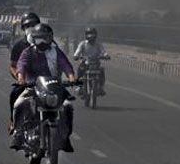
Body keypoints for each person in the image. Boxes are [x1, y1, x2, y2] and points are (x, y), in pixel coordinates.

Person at [11, 23, 77, 152]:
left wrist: (71, 77)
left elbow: (66, 65)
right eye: (38, 38)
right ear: (33, 39)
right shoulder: (28, 52)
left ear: (50, 38)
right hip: (32, 87)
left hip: (54, 87)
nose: (41, 42)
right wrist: (20, 78)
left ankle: (65, 137)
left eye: (44, 38)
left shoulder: (55, 52)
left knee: (68, 106)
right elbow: (21, 65)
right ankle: (17, 134)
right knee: (19, 104)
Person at [7, 12, 40, 133]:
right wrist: (19, 79)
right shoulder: (18, 46)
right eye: (27, 26)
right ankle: (13, 121)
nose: (31, 28)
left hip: (44, 82)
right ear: (23, 29)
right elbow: (12, 66)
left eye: (34, 25)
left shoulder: (48, 44)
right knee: (14, 94)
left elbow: (59, 63)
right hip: (26, 82)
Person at [74, 27, 109, 96]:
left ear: (95, 35)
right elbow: (77, 52)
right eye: (89, 34)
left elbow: (103, 51)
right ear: (86, 35)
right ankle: (79, 87)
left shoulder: (98, 44)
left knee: (101, 72)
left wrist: (106, 55)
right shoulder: (83, 44)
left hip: (95, 63)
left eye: (92, 34)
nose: (91, 36)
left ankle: (101, 87)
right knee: (80, 71)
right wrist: (76, 56)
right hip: (85, 63)